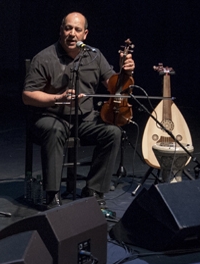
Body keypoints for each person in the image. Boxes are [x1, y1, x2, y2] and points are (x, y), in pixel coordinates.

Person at [23, 12, 134, 213]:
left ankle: (93, 192)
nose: (72, 34)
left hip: (84, 118)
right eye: (68, 28)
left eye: (77, 30)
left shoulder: (94, 55)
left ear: (85, 34)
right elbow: (28, 95)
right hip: (50, 115)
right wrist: (57, 98)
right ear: (61, 30)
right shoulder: (44, 58)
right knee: (54, 130)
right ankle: (52, 195)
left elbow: (112, 85)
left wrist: (124, 72)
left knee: (113, 133)